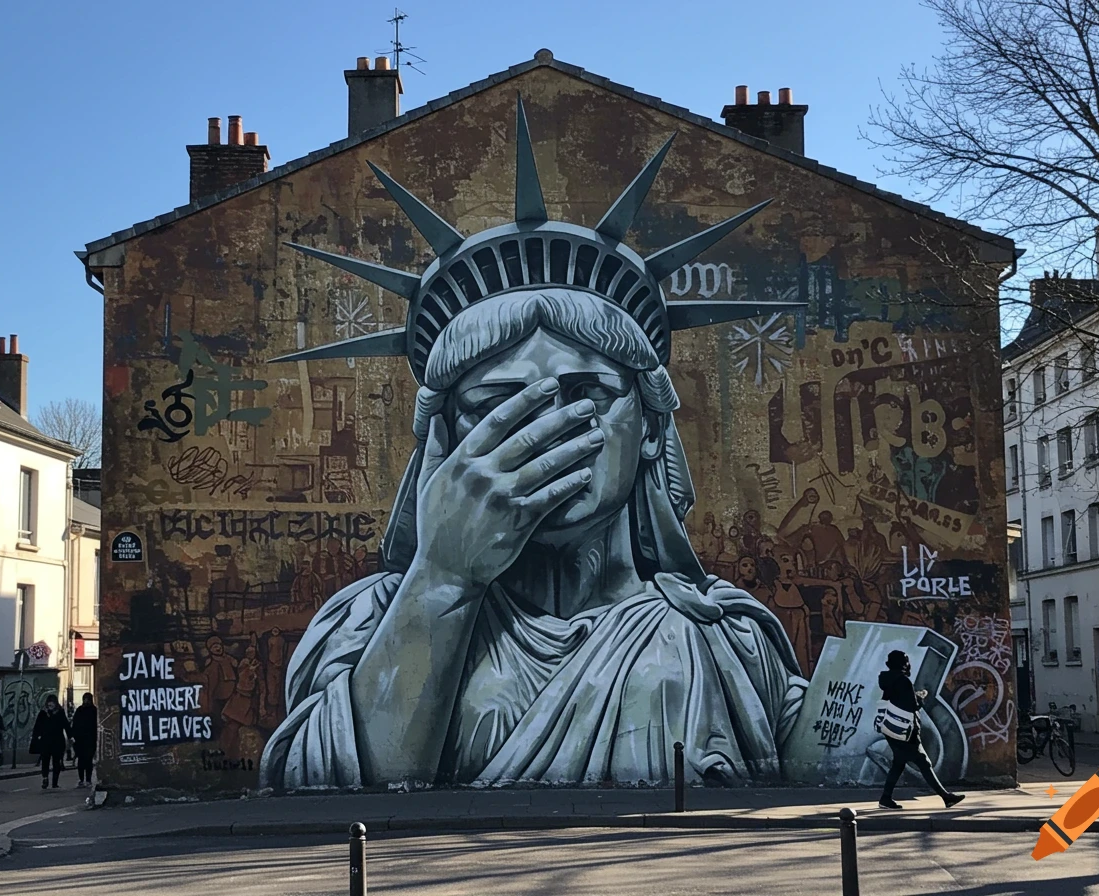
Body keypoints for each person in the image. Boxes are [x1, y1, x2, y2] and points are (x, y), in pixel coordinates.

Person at [260, 104, 809, 790]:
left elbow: (818, 744)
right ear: (449, 437)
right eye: (497, 404)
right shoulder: (371, 622)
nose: (548, 429)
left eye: (585, 393)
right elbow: (321, 788)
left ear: (649, 428)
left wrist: (885, 734)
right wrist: (443, 578)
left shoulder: (727, 633)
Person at [877, 650, 964, 810]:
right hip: (906, 731)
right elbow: (913, 705)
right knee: (923, 762)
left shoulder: (886, 679)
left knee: (899, 763)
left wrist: (913, 696)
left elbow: (895, 700)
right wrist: (921, 697)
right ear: (903, 664)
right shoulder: (903, 681)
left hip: (892, 728)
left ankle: (885, 798)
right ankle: (946, 797)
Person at [30, 696, 72, 790]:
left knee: (56, 762)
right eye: (49, 702)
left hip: (58, 742)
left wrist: (71, 736)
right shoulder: (43, 713)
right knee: (45, 761)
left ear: (55, 703)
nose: (50, 704)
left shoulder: (60, 713)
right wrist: (35, 737)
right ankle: (45, 778)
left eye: (52, 702)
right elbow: (37, 726)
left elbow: (66, 725)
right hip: (45, 741)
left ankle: (55, 782)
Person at [71, 693, 98, 788]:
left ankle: (88, 779)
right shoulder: (79, 710)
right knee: (81, 760)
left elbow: (96, 725)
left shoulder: (94, 710)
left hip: (90, 740)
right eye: (85, 699)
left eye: (88, 699)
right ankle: (82, 779)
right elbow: (74, 724)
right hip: (80, 740)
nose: (86, 701)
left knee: (88, 760)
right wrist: (73, 737)